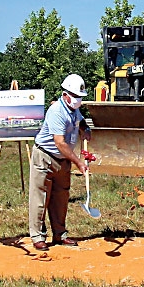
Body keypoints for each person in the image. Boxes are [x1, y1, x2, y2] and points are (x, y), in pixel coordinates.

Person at [28, 74, 92, 251]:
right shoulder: (57, 111)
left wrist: (85, 128)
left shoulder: (73, 109)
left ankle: (60, 233)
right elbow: (60, 143)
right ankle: (38, 236)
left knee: (61, 198)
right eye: (75, 96)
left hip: (63, 161)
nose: (78, 100)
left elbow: (80, 119)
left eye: (80, 97)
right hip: (45, 157)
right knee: (40, 197)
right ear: (65, 94)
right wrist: (79, 162)